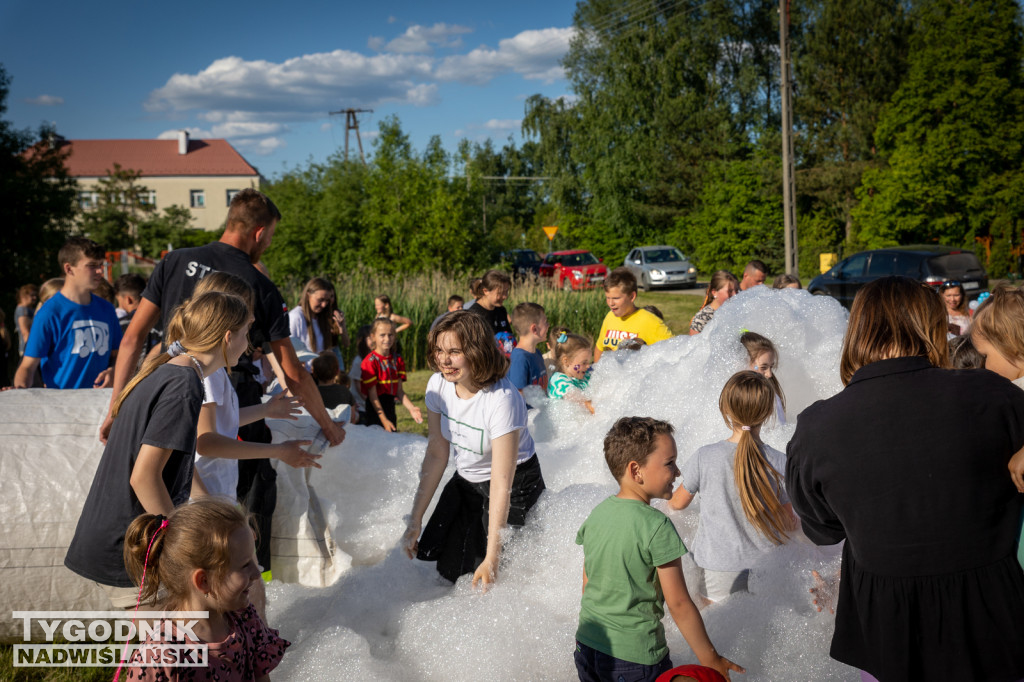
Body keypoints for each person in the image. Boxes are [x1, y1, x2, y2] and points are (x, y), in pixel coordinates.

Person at [786, 276, 1024, 681]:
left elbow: (823, 530)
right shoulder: (994, 394)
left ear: (857, 331)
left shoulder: (817, 426)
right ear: (932, 327)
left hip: (888, 630)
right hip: (997, 621)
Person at [100, 188, 345, 448]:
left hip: (171, 385)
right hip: (231, 395)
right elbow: (293, 371)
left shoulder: (174, 261)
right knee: (248, 484)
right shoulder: (261, 286)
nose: (269, 244)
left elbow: (132, 338)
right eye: (270, 237)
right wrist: (328, 427)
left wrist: (116, 409)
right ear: (259, 232)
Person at [64, 291, 250, 607]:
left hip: (126, 538)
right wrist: (182, 547)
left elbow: (173, 462)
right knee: (185, 650)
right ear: (228, 336)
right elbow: (145, 477)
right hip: (130, 544)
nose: (249, 343)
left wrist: (214, 515)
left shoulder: (171, 371)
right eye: (247, 334)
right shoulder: (184, 384)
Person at [575, 417, 743, 682]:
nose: (678, 472)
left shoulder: (597, 515)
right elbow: (678, 603)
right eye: (669, 463)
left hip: (588, 645)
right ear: (636, 471)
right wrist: (710, 659)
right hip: (635, 658)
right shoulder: (657, 526)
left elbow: (588, 586)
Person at [402, 310, 545, 586]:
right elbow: (436, 453)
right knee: (451, 571)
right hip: (469, 479)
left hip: (516, 484)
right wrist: (415, 518)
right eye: (439, 351)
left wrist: (492, 558)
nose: (444, 360)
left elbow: (503, 482)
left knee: (509, 576)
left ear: (477, 351)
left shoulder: (501, 399)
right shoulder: (437, 386)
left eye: (454, 351)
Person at [119, 499, 289, 680]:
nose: (257, 573)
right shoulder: (160, 657)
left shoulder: (246, 619)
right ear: (203, 581)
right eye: (245, 565)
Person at [190, 272, 319, 503]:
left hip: (214, 490)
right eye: (246, 310)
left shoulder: (214, 368)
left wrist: (265, 410)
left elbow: (220, 422)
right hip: (206, 496)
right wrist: (278, 451)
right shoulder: (206, 373)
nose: (253, 317)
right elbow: (206, 441)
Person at [669, 372, 795, 604]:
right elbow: (788, 523)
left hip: (716, 569)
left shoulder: (705, 457)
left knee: (717, 635)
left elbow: (675, 505)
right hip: (767, 569)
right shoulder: (780, 462)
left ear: (726, 409)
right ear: (768, 413)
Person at [12, 237, 121, 389]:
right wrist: (19, 394)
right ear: (69, 269)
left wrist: (115, 370)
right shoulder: (49, 312)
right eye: (92, 266)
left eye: (100, 265)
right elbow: (27, 367)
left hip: (101, 404)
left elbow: (119, 355)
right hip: (63, 406)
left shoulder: (107, 309)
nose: (100, 271)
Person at [595, 268, 672, 362]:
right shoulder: (610, 316)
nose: (611, 303)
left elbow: (674, 352)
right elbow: (599, 348)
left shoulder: (651, 321)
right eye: (608, 298)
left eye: (616, 298)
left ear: (632, 297)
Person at [360, 317, 422, 431]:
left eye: (390, 335)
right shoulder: (369, 362)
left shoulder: (397, 359)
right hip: (376, 411)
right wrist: (384, 421)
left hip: (390, 407)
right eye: (382, 335)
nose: (387, 339)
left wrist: (412, 408)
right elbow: (373, 396)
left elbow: (399, 391)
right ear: (373, 336)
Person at [290, 277, 348, 357]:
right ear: (308, 296)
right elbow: (289, 351)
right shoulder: (296, 317)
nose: (324, 305)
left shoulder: (321, 317)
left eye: (327, 300)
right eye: (320, 300)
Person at [738, 331, 786, 425]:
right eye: (763, 367)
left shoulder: (771, 396)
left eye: (771, 367)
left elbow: (781, 427)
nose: (769, 374)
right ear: (743, 362)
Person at [468, 270, 516, 357]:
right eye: (500, 293)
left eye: (506, 292)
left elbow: (508, 338)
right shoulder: (473, 315)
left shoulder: (501, 310)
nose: (505, 296)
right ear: (486, 291)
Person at [508, 302, 549, 402]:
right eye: (545, 322)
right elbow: (517, 397)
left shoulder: (537, 353)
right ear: (534, 329)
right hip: (528, 415)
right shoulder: (520, 359)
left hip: (540, 412)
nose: (548, 325)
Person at [548, 332, 595, 414]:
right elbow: (585, 404)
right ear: (566, 361)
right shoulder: (559, 381)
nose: (588, 366)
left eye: (589, 361)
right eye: (584, 363)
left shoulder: (584, 375)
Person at [313, 351, 358, 420]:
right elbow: (352, 417)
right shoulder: (345, 391)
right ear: (337, 371)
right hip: (343, 429)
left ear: (314, 372)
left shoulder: (311, 392)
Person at [689, 271, 738, 335]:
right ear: (714, 292)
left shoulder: (735, 312)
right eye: (730, 291)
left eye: (737, 290)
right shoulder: (701, 320)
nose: (735, 295)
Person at [347, 324, 372, 424]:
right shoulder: (358, 361)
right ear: (362, 340)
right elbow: (359, 387)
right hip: (361, 407)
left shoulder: (373, 358)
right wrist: (371, 402)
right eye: (370, 337)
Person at [14, 283, 38, 356]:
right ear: (23, 296)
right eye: (32, 295)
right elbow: (25, 332)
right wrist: (31, 350)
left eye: (35, 295)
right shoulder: (22, 310)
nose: (35, 298)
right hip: (28, 349)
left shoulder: (29, 309)